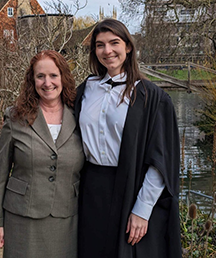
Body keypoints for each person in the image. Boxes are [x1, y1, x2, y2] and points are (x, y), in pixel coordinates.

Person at [74, 19, 182, 258]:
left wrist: (142, 211)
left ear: (129, 47)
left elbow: (160, 159)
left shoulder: (151, 97)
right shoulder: (85, 90)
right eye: (100, 45)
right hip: (91, 190)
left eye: (115, 43)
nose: (107, 51)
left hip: (132, 187)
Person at [0, 50, 85, 258]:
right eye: (40, 76)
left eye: (53, 76)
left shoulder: (81, 117)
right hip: (22, 219)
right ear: (32, 81)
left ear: (63, 78)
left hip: (67, 219)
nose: (47, 83)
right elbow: (0, 175)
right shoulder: (15, 118)